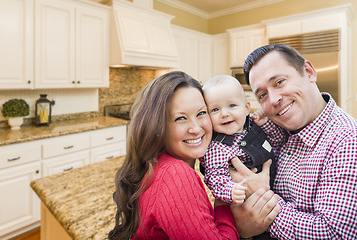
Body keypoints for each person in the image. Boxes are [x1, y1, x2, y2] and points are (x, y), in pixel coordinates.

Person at [107, 71, 280, 240]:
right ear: (157, 126)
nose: (196, 128)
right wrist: (233, 219)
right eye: (180, 118)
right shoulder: (175, 175)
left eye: (201, 113)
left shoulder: (158, 163)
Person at [230, 44, 357, 239]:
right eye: (262, 94)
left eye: (279, 82)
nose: (273, 100)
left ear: (309, 72)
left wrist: (262, 203)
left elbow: (336, 234)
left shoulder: (347, 141)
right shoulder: (278, 129)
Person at [200, 75, 276, 204]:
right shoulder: (216, 148)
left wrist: (265, 124)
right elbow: (214, 178)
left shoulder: (253, 125)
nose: (224, 114)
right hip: (248, 201)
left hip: (277, 188)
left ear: (246, 108)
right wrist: (230, 190)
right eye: (215, 109)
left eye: (232, 105)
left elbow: (276, 141)